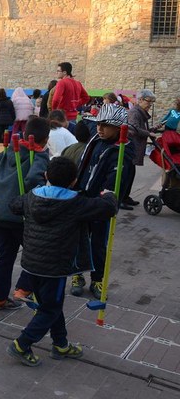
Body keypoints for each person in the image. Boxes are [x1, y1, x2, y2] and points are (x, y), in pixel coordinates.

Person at [6, 157, 118, 367]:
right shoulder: (75, 203)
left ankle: (61, 344)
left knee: (51, 306)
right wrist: (110, 195)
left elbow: (14, 204)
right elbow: (107, 208)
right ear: (74, 181)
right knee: (50, 309)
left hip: (31, 264)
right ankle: (22, 344)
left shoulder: (31, 197)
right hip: (54, 268)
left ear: (46, 176)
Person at [0, 117, 50, 310]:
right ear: (45, 139)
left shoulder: (12, 149)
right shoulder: (39, 155)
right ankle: (23, 289)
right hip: (20, 215)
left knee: (4, 256)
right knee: (36, 252)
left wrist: (3, 189)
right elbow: (32, 180)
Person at [71, 103, 134, 299]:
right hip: (82, 198)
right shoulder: (95, 141)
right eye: (99, 124)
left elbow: (118, 181)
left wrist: (109, 200)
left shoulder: (121, 152)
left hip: (100, 204)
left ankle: (97, 279)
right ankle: (77, 275)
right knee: (79, 240)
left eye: (106, 125)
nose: (100, 128)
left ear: (118, 129)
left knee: (98, 244)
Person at [122, 89, 160, 209]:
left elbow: (140, 129)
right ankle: (121, 199)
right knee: (126, 174)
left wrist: (153, 129)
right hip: (130, 148)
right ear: (140, 100)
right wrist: (149, 134)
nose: (150, 104)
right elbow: (133, 128)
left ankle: (125, 197)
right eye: (149, 101)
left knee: (130, 174)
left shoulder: (140, 112)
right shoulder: (135, 112)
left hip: (133, 148)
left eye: (152, 102)